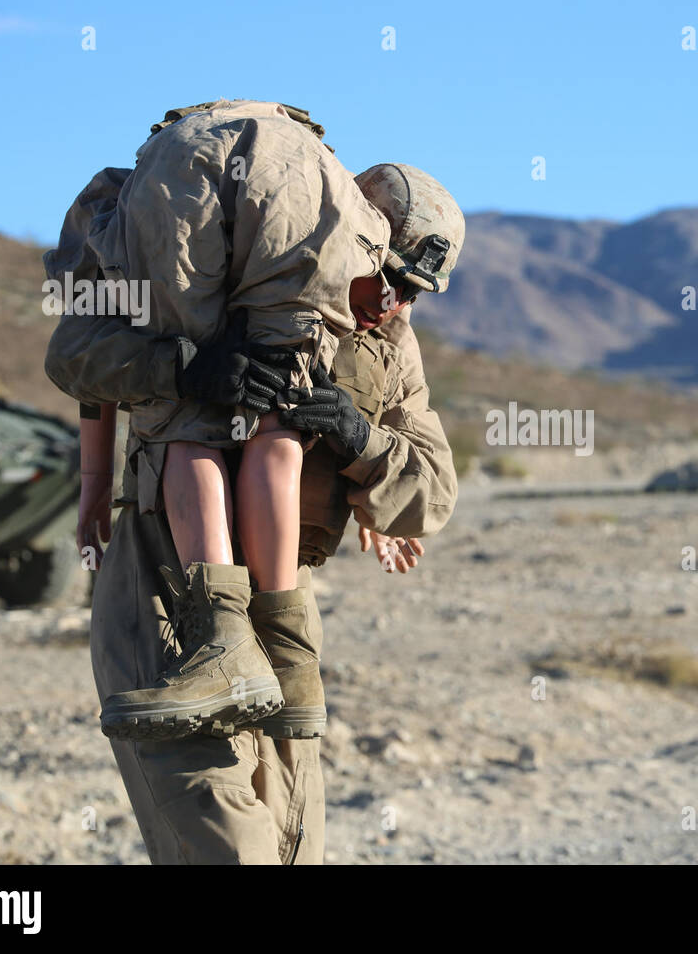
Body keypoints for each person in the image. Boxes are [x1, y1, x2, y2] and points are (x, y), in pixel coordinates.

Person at [44, 103, 463, 861]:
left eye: (415, 295)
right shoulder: (202, 281)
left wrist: (360, 440)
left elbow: (431, 492)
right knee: (222, 840)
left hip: (282, 610)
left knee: (292, 835)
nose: (395, 305)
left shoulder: (391, 353)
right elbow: (75, 351)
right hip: (163, 589)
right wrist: (180, 365)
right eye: (390, 278)